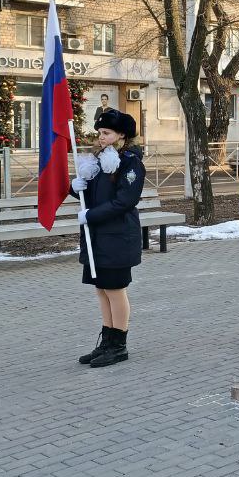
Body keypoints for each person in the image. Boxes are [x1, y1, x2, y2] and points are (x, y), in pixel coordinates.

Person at [71, 109, 145, 368]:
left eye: (106, 133)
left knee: (115, 290)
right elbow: (92, 194)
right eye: (99, 133)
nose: (100, 137)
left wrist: (91, 215)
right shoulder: (99, 159)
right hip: (97, 236)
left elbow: (125, 200)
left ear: (121, 135)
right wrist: (76, 187)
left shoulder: (129, 162)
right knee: (101, 290)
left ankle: (119, 345)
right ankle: (106, 340)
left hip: (118, 236)